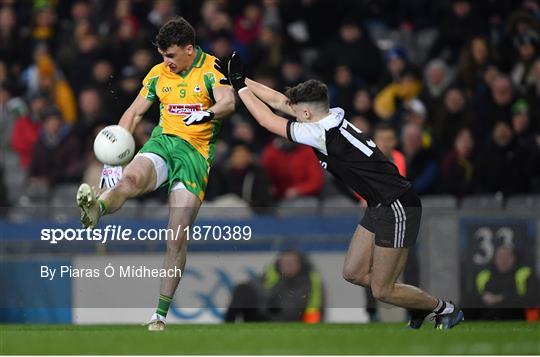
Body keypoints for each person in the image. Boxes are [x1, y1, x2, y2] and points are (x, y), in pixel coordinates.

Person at [215, 52, 464, 329]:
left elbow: (266, 120)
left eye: (298, 112)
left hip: (397, 204)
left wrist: (239, 87)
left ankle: (444, 308)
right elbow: (278, 101)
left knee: (383, 290)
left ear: (307, 113)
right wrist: (238, 78)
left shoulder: (320, 132)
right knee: (354, 272)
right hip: (379, 203)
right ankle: (412, 300)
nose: (292, 113)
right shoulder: (330, 115)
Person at [75, 17, 235, 331]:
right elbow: (134, 113)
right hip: (162, 143)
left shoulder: (212, 69)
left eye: (171, 56)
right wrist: (111, 162)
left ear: (189, 49)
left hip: (194, 156)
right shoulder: (158, 73)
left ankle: (159, 315)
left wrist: (208, 112)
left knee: (176, 236)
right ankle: (97, 208)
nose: (166, 62)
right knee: (129, 180)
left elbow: (229, 101)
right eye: (162, 56)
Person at [225, 249, 324, 323]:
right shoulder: (274, 275)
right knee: (243, 289)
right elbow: (258, 288)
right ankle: (228, 325)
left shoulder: (307, 282)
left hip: (285, 318)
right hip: (265, 313)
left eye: (290, 263)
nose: (286, 266)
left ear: (300, 264)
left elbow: (296, 308)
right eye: (284, 263)